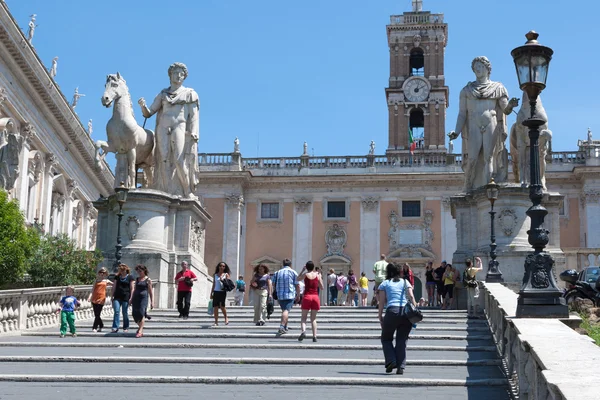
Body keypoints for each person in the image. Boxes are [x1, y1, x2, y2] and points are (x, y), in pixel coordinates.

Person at [449, 56, 518, 191]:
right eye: (475, 68)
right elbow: (462, 114)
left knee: (489, 157)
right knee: (472, 158)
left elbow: (505, 110)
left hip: (491, 124)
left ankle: (489, 186)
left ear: (487, 69)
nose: (478, 69)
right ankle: (467, 187)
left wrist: (511, 105)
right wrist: (456, 132)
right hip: (473, 126)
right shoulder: (467, 90)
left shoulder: (498, 88)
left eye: (480, 66)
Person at [138, 62, 199, 197]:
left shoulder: (189, 93)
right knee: (163, 160)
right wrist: (143, 106)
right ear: (170, 75)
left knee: (178, 159)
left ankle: (187, 190)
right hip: (163, 127)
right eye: (175, 73)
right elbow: (149, 113)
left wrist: (194, 132)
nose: (178, 76)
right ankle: (165, 191)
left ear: (184, 77)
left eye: (181, 74)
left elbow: (194, 116)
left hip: (179, 126)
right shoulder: (163, 94)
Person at [378, 263, 417, 375]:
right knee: (402, 340)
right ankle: (401, 366)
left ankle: (391, 360)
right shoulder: (405, 282)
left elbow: (381, 302)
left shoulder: (384, 283)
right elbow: (411, 296)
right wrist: (415, 310)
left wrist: (380, 315)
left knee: (386, 338)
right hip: (405, 313)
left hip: (391, 312)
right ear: (400, 272)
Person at [272, 258, 300, 335]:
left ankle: (285, 326)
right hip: (290, 294)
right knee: (286, 311)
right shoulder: (293, 272)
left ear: (283, 264)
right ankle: (281, 326)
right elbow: (297, 285)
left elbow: (273, 284)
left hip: (280, 295)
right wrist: (298, 295)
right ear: (290, 265)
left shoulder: (277, 273)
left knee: (284, 310)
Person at [297, 261, 324, 342]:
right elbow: (322, 287)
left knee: (304, 317)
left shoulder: (305, 275)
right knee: (313, 319)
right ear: (313, 267)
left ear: (307, 267)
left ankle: (303, 331)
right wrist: (320, 277)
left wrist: (302, 270)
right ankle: (314, 336)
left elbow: (297, 279)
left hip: (307, 297)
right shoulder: (317, 275)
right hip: (315, 297)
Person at [131, 265, 154, 338]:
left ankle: (140, 330)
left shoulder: (148, 280)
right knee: (135, 314)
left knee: (141, 313)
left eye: (140, 271)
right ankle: (140, 327)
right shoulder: (137, 279)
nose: (139, 272)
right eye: (138, 271)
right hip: (136, 298)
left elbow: (150, 292)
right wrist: (131, 298)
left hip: (143, 298)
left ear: (144, 271)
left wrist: (152, 301)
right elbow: (134, 290)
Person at [111, 264, 134, 333]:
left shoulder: (130, 277)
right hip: (117, 296)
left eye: (123, 270)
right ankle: (115, 327)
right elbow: (114, 287)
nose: (122, 271)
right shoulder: (117, 277)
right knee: (117, 311)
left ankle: (125, 327)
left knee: (124, 312)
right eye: (121, 270)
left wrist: (131, 297)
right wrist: (112, 296)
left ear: (126, 270)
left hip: (126, 297)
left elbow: (132, 288)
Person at [88, 268, 112, 332]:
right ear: (99, 273)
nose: (102, 274)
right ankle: (101, 325)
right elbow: (92, 290)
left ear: (105, 274)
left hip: (101, 298)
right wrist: (89, 297)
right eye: (101, 272)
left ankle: (94, 327)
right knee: (96, 314)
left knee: (98, 313)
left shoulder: (106, 281)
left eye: (103, 273)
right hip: (94, 298)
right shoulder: (96, 281)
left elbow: (114, 284)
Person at [210, 262, 231, 326]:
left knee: (222, 306)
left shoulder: (226, 274)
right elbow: (214, 284)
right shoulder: (215, 275)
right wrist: (211, 293)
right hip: (216, 291)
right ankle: (216, 321)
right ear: (218, 267)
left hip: (222, 291)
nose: (222, 267)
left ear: (225, 268)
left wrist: (223, 280)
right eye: (220, 266)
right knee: (215, 307)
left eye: (223, 266)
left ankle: (226, 318)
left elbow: (228, 283)